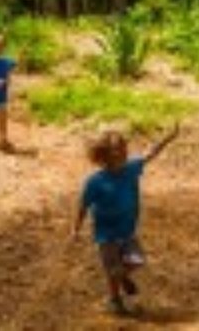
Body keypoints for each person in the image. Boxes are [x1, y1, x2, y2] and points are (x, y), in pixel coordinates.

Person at [71, 124, 181, 316]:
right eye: (116, 155)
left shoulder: (131, 168)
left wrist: (168, 138)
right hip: (106, 234)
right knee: (112, 270)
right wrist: (75, 229)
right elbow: (83, 205)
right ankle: (115, 301)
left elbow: (150, 154)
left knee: (136, 261)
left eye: (123, 152)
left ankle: (121, 277)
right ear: (103, 157)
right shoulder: (95, 182)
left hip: (127, 230)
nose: (121, 157)